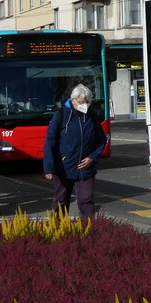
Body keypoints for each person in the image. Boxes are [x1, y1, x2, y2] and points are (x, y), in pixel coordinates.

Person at [43, 83, 106, 219]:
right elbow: (50, 142)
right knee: (61, 201)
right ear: (73, 101)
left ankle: (89, 230)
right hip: (64, 167)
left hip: (86, 167)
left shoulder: (91, 116)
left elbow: (101, 140)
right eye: (82, 102)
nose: (86, 105)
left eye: (88, 102)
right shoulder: (60, 116)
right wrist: (49, 168)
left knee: (86, 201)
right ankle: (58, 230)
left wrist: (92, 158)